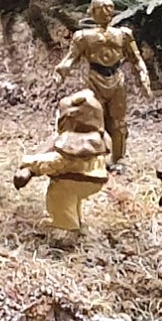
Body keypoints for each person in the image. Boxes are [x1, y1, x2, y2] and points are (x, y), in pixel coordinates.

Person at [55, 0, 151, 168]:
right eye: (101, 8)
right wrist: (62, 70)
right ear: (92, 12)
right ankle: (99, 156)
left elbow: (136, 58)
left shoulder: (123, 34)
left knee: (118, 122)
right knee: (94, 119)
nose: (106, 12)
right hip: (94, 79)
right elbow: (71, 58)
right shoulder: (83, 37)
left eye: (109, 8)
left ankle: (118, 157)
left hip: (116, 78)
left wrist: (143, 75)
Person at [13, 90, 111, 230]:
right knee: (72, 197)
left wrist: (29, 163)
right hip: (93, 178)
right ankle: (76, 219)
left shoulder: (73, 145)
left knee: (59, 196)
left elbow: (56, 161)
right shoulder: (95, 140)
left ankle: (65, 226)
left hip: (78, 178)